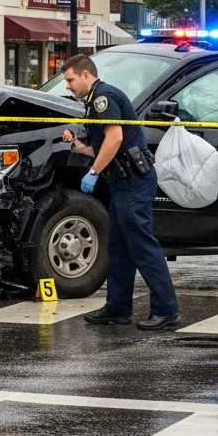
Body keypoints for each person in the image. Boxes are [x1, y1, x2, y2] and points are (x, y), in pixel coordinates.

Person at [61, 54, 181, 330]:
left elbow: (114, 138)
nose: (68, 86)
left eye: (70, 80)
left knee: (141, 246)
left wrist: (93, 173)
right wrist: (82, 148)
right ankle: (117, 307)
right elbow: (105, 145)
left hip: (133, 181)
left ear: (86, 76)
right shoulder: (93, 102)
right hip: (122, 182)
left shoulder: (103, 98)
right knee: (118, 247)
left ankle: (166, 310)